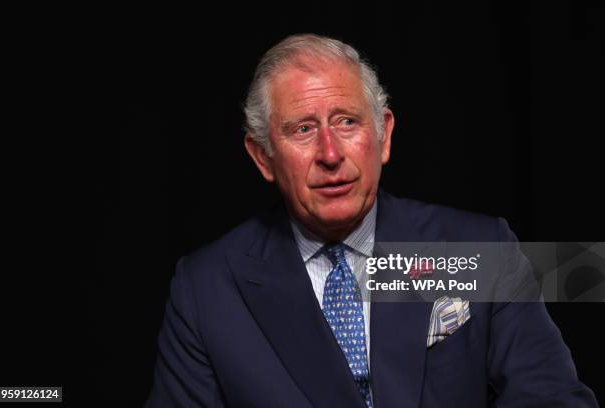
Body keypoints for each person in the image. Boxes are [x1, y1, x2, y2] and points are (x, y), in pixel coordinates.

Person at [146, 34, 597, 407]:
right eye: (303, 129)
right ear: (263, 157)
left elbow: (553, 398)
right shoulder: (205, 288)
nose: (329, 153)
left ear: (383, 136)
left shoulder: (482, 249)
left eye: (346, 122)